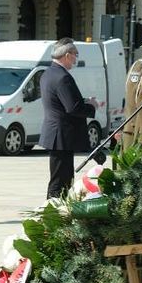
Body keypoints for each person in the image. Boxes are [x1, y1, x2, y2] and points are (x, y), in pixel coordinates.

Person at [40, 38, 96, 200]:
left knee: (60, 179)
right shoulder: (63, 77)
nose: (75, 59)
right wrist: (91, 106)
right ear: (66, 55)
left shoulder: (48, 73)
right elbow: (72, 108)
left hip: (56, 134)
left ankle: (55, 212)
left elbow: (62, 101)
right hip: (62, 135)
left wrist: (83, 101)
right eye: (75, 55)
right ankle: (53, 214)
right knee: (61, 182)